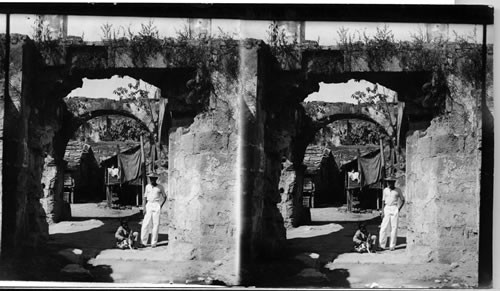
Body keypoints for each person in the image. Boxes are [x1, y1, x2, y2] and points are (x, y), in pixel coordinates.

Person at [140, 173, 167, 248]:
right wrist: (144, 207)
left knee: (156, 224)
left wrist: (160, 205)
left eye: (154, 178)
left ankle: (153, 243)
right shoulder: (147, 186)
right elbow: (145, 197)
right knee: (145, 224)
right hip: (149, 205)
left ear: (156, 179)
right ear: (149, 179)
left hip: (156, 205)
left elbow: (165, 197)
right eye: (151, 178)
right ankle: (143, 242)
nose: (152, 180)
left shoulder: (160, 187)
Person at [379, 176, 405, 251]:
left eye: (391, 182)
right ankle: (381, 245)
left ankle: (392, 246)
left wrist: (398, 209)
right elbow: (383, 201)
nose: (390, 183)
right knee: (383, 227)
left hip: (394, 208)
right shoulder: (385, 190)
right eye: (388, 182)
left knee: (394, 227)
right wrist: (382, 211)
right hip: (387, 208)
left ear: (394, 182)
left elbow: (403, 200)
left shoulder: (398, 190)